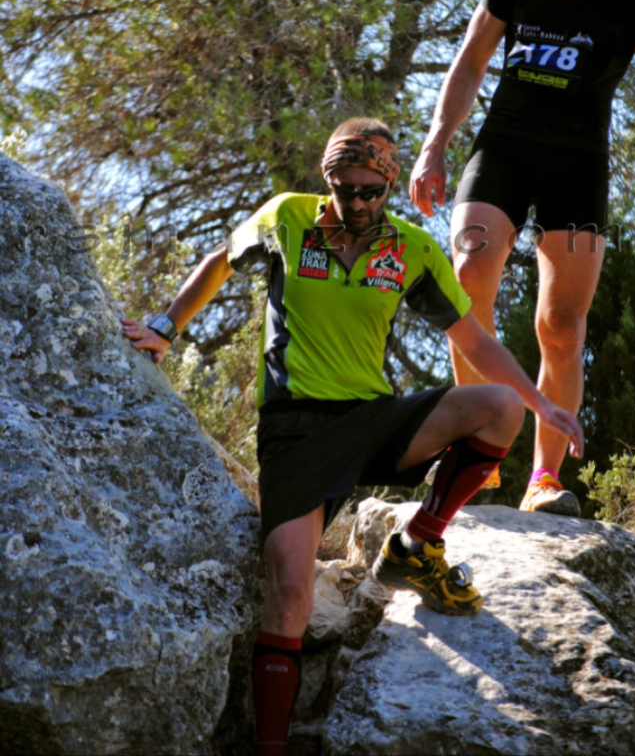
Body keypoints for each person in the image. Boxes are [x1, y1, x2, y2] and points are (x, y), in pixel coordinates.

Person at [122, 118, 582, 756]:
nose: (357, 203)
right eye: (345, 188)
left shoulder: (411, 248)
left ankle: (415, 545)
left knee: (499, 408)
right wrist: (165, 327)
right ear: (328, 179)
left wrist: (541, 404)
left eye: (371, 190)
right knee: (290, 593)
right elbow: (221, 262)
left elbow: (474, 340)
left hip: (375, 419)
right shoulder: (288, 219)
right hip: (296, 432)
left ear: (389, 183)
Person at [410, 0, 635, 517]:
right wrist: (433, 148)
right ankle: (477, 459)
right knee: (469, 273)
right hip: (504, 147)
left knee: (562, 327)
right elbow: (471, 60)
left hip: (578, 161)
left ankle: (545, 481)